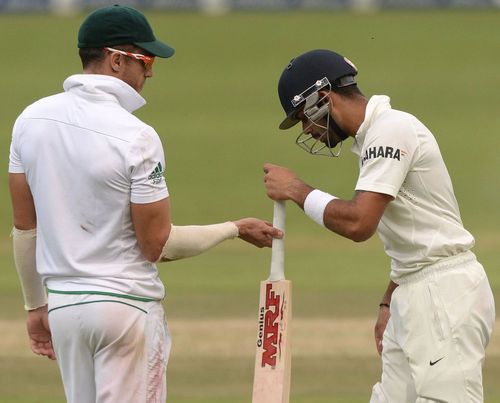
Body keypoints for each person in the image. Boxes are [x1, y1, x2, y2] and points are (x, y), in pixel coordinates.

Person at [8, 5, 282, 403]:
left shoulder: (29, 121)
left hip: (64, 309)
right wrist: (233, 229)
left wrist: (36, 306)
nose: (151, 71)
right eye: (146, 59)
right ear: (117, 61)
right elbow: (157, 245)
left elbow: (25, 228)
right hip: (126, 308)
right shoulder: (137, 136)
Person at [263, 49, 495, 402]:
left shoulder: (391, 131)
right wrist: (390, 302)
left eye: (303, 118)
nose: (308, 131)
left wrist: (297, 190)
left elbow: (359, 223)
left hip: (444, 296)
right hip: (416, 290)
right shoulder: (375, 138)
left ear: (322, 98)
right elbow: (415, 234)